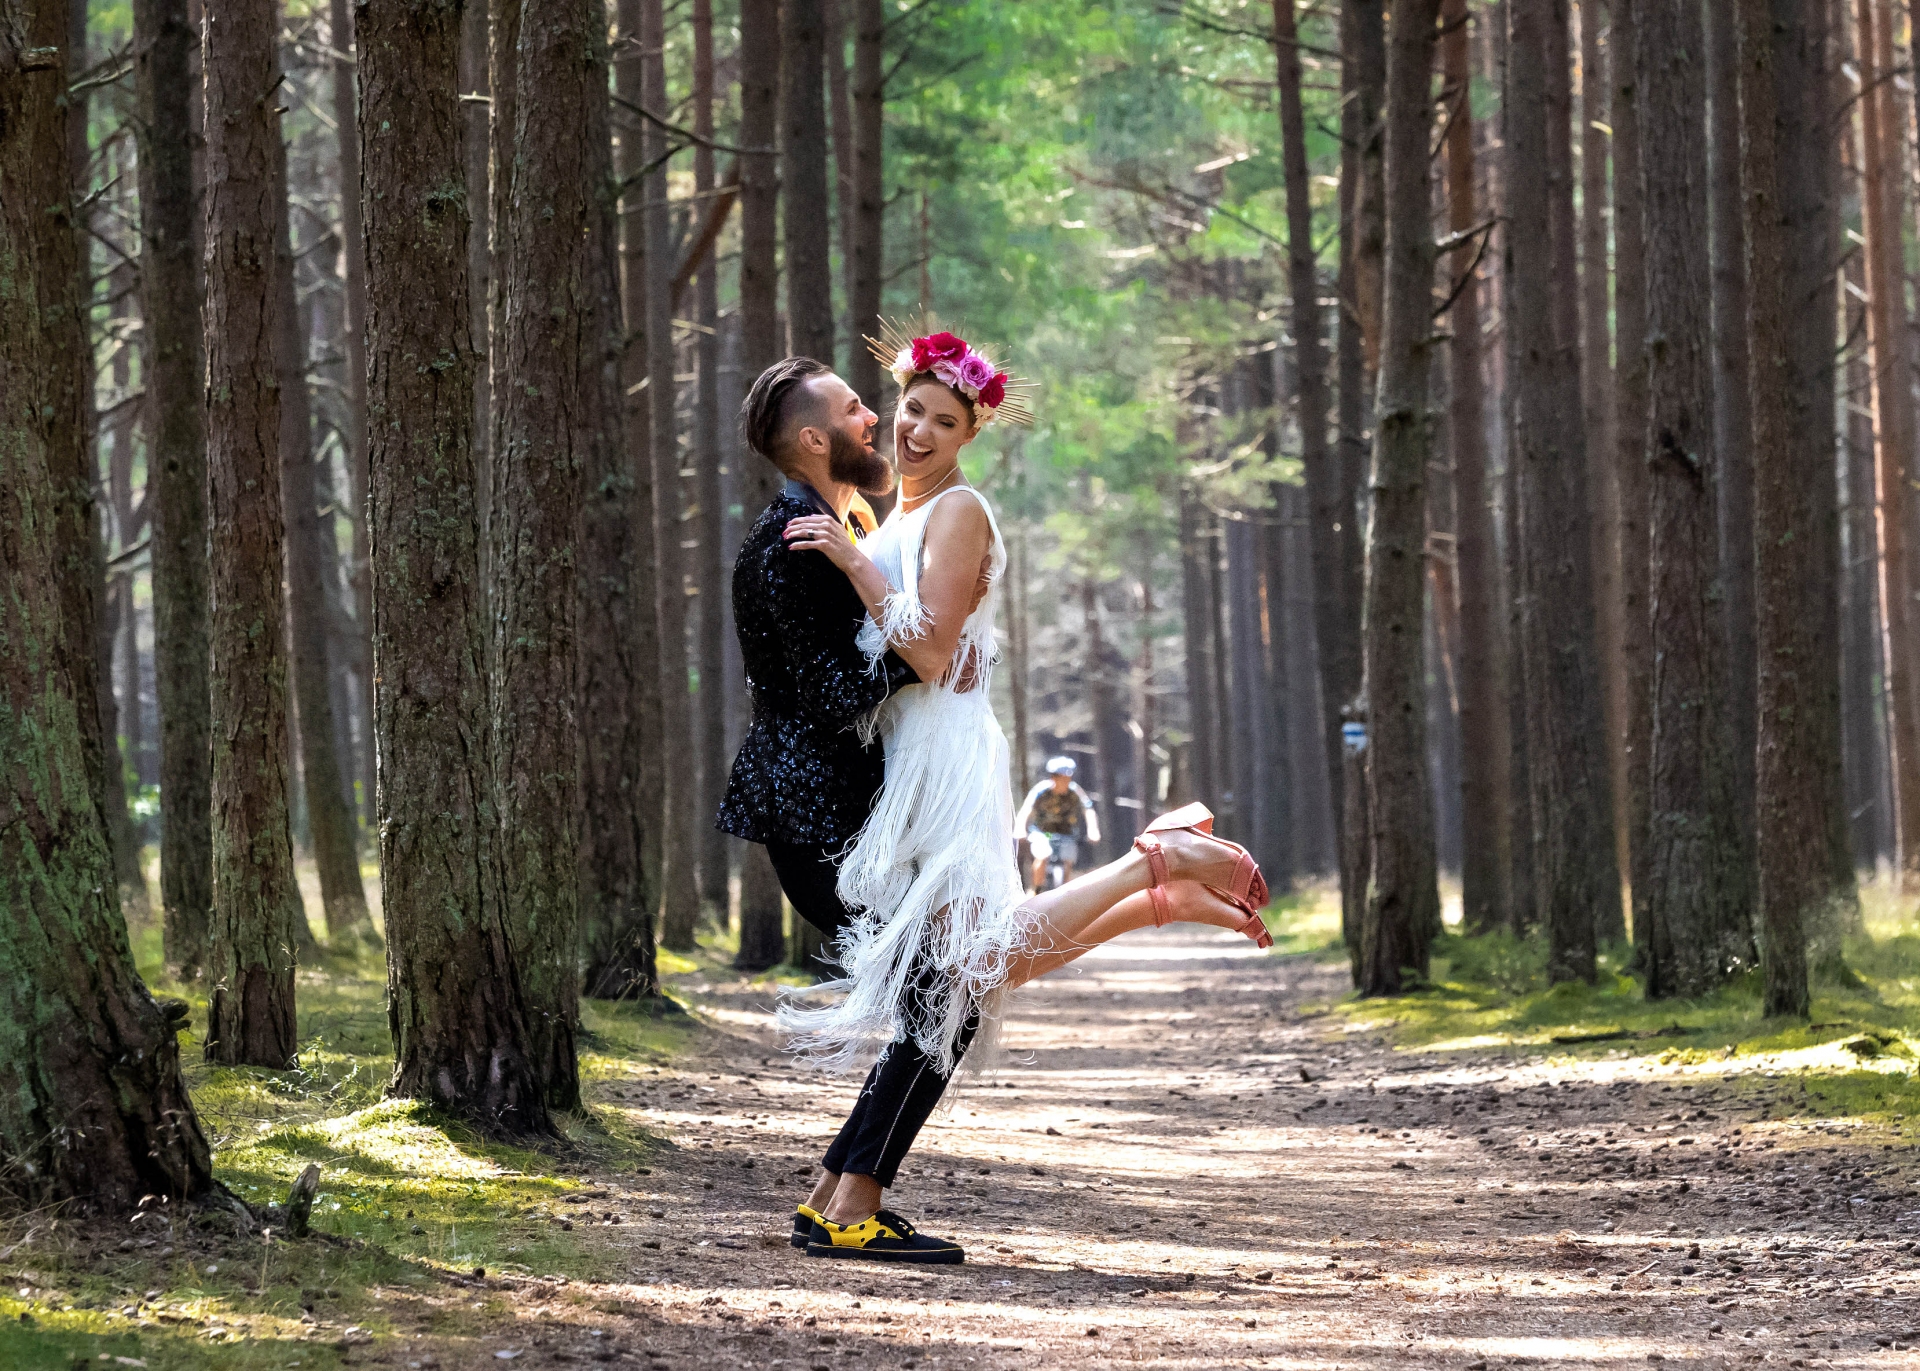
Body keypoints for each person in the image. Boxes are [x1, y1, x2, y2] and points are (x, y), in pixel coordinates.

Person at [780, 325, 1272, 1265]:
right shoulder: (893, 516)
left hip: (945, 761)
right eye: (912, 411)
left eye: (943, 420)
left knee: (960, 969)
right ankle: (1152, 889)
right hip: (908, 763)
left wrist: (849, 563)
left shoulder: (960, 510)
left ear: (970, 433)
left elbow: (926, 650)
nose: (917, 431)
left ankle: (1151, 864)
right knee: (959, 973)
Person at [716, 356, 968, 1266]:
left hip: (823, 814)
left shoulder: (814, 525)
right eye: (859, 409)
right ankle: (849, 1206)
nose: (878, 420)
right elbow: (826, 691)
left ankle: (836, 1196)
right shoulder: (799, 539)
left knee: (939, 989)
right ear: (815, 439)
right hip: (817, 820)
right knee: (948, 989)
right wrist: (933, 655)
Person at [1013, 757, 1101, 889]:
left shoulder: (1075, 791)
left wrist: (1093, 830)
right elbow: (1026, 810)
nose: (1065, 781)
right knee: (1043, 856)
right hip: (1044, 833)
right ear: (1053, 777)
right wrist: (1020, 829)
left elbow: (1088, 810)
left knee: (1068, 862)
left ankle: (1064, 893)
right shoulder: (1041, 790)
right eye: (1061, 777)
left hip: (1066, 833)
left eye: (1068, 777)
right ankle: (1036, 890)